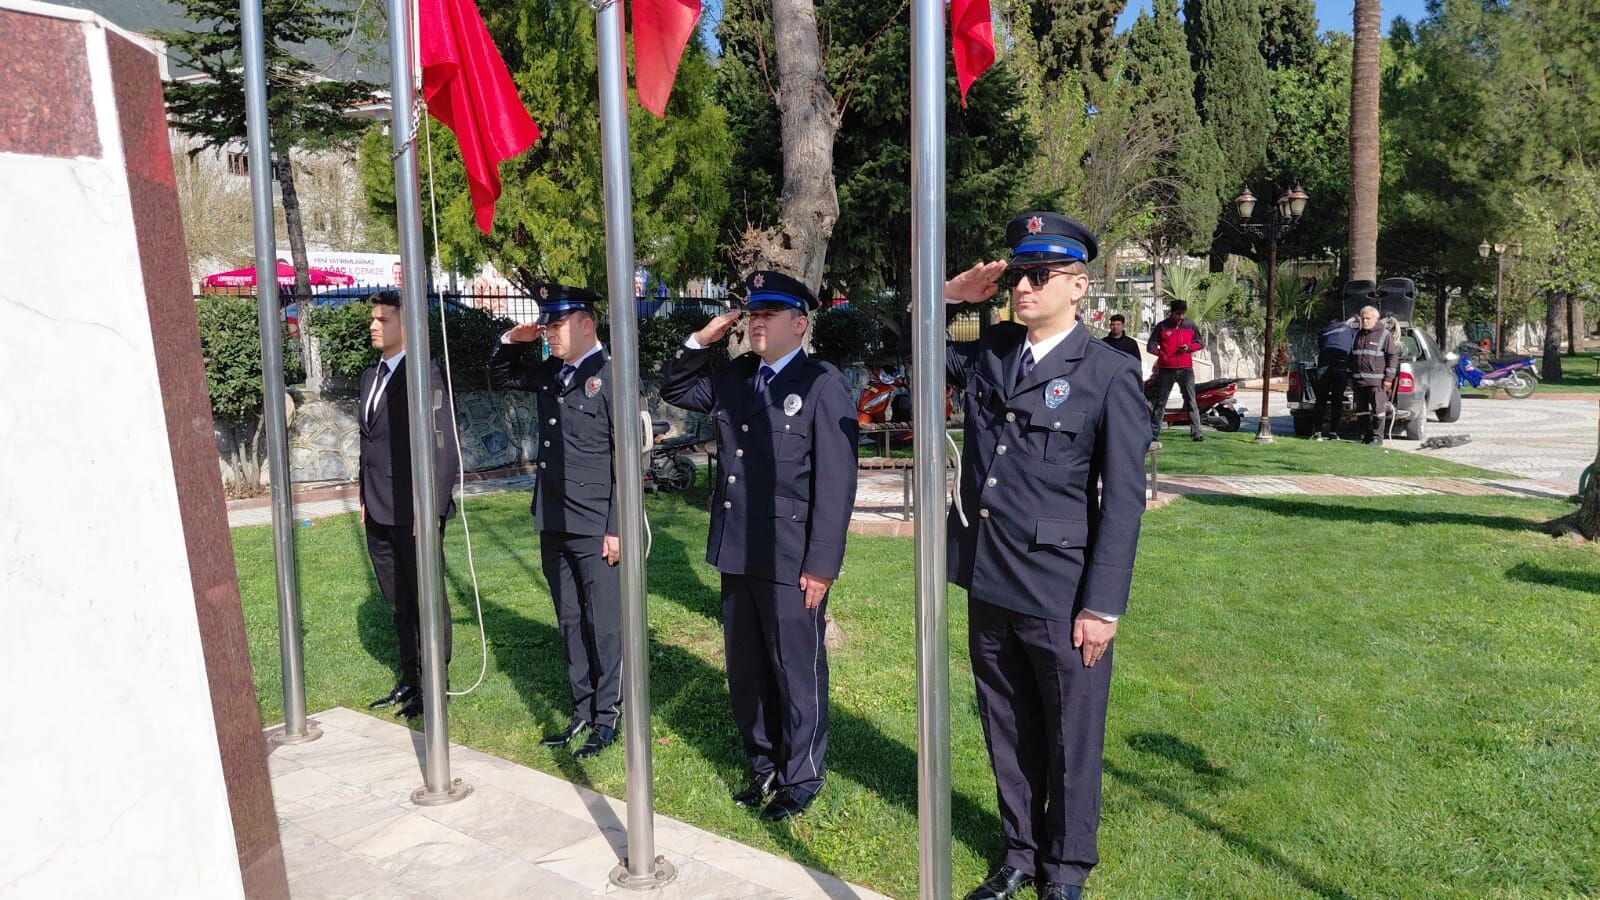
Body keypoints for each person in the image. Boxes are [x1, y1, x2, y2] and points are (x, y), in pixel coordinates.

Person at [936, 213, 1150, 900]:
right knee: (1006, 726)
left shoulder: (1109, 374)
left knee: (1070, 740)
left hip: (1061, 590)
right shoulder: (994, 350)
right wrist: (945, 298)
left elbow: (1122, 499)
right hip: (989, 575)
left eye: (1038, 276)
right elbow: (914, 350)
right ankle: (1020, 854)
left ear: (1078, 286)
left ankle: (1065, 871)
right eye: (1017, 274)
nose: (1021, 287)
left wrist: (1103, 605)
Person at [659, 271, 859, 822]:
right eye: (753, 314)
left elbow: (837, 485)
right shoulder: (736, 376)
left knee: (796, 667)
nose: (757, 322)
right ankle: (764, 763)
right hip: (738, 547)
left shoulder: (821, 383)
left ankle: (802, 775)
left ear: (800, 322)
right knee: (746, 668)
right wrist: (703, 338)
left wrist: (821, 565)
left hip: (791, 554)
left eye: (770, 314)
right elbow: (674, 388)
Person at [489, 285, 626, 760]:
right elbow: (502, 378)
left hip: (595, 522)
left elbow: (624, 460)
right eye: (546, 324)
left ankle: (609, 716)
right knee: (569, 620)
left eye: (557, 323)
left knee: (603, 623)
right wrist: (512, 338)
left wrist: (617, 525)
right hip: (554, 516)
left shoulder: (612, 376)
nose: (549, 332)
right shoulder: (552, 373)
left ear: (586, 323)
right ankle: (583, 709)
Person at [360, 291, 460, 719]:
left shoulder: (425, 376)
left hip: (414, 511)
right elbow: (369, 445)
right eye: (373, 318)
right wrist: (364, 497)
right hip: (379, 508)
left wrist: (431, 507)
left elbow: (444, 448)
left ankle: (436, 682)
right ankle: (410, 678)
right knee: (398, 599)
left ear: (407, 326)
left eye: (384, 318)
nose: (374, 325)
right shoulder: (371, 375)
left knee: (426, 599)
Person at [1146, 299, 1206, 441]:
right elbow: (1151, 346)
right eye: (1178, 314)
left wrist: (1189, 348)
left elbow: (1200, 342)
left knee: (1191, 401)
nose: (1181, 317)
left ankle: (1197, 433)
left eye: (1183, 314)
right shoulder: (1162, 327)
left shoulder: (1190, 325)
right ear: (1171, 313)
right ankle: (1153, 435)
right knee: (1161, 402)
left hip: (1186, 370)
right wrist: (1163, 355)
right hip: (1166, 370)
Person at [1350, 304, 1397, 445]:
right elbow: (1351, 357)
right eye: (1363, 318)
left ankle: (1378, 438)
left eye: (1368, 318)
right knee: (1361, 412)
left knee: (1378, 410)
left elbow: (1392, 357)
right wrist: (1349, 377)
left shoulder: (1384, 335)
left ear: (1376, 319)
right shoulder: (1357, 335)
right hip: (1359, 382)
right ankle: (1366, 436)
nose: (1365, 321)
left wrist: (1388, 378)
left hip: (1377, 382)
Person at [1314, 315, 1357, 439]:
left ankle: (1318, 432)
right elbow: (1353, 348)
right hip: (1340, 363)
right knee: (1337, 399)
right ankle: (1333, 432)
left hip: (1324, 363)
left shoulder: (1325, 330)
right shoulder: (1349, 330)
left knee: (1321, 400)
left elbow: (1321, 346)